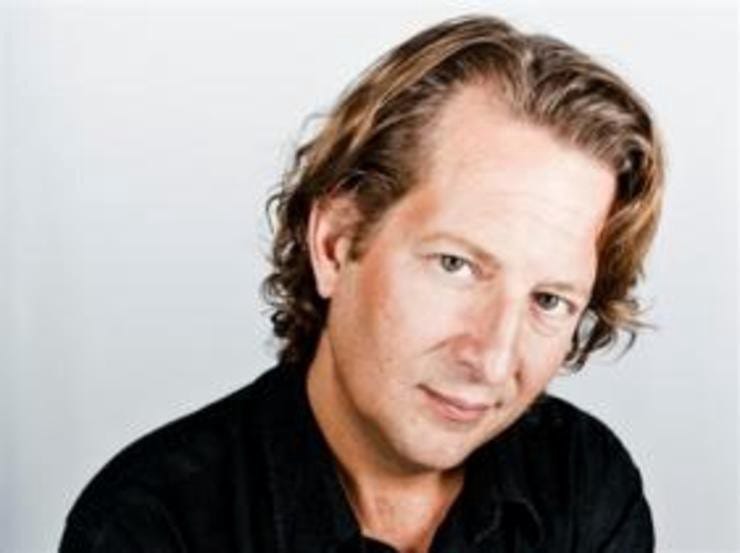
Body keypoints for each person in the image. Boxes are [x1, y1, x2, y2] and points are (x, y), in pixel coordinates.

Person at [59, 14, 664, 553]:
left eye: (549, 300)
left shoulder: (585, 482)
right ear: (335, 243)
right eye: (455, 265)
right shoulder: (152, 524)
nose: (492, 359)